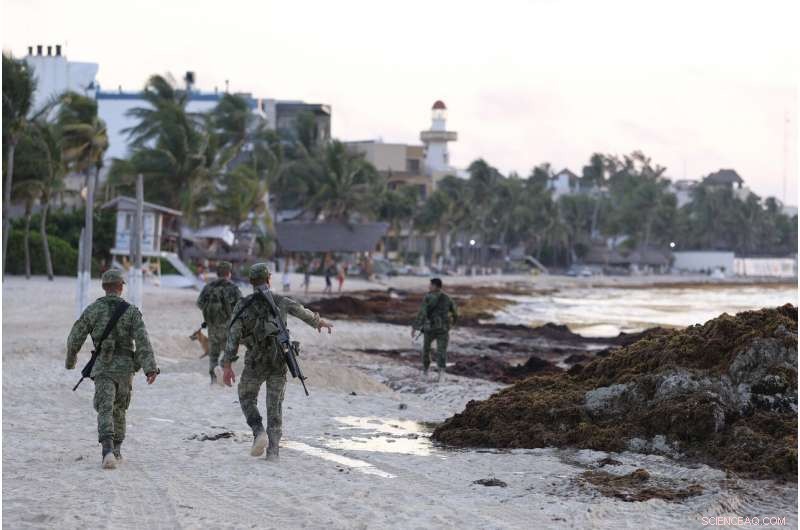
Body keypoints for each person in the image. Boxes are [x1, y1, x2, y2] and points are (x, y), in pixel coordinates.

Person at [221, 263, 334, 461]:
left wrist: (228, 365)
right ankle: (273, 451)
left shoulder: (243, 305)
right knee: (275, 406)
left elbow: (233, 335)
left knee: (246, 397)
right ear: (268, 279)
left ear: (251, 282)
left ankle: (258, 432)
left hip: (255, 361)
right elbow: (300, 311)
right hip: (279, 360)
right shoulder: (280, 301)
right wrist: (319, 322)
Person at [66, 269, 159, 469]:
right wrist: (150, 368)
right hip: (125, 369)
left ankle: (106, 449)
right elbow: (143, 341)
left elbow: (75, 337)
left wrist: (70, 360)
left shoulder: (93, 309)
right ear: (120, 286)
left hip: (102, 367)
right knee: (119, 408)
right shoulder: (131, 311)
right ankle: (116, 450)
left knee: (104, 407)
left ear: (104, 287)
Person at [196, 261, 242, 385]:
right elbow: (241, 307)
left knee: (213, 355)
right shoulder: (233, 287)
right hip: (228, 327)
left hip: (212, 327)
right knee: (230, 352)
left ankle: (214, 379)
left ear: (218, 273)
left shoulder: (208, 287)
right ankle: (221, 368)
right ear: (229, 273)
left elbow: (199, 303)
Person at [411, 278, 458, 382]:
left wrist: (415, 327)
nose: (429, 287)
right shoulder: (447, 298)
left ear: (435, 286)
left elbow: (422, 313)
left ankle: (426, 371)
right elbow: (455, 313)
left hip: (430, 328)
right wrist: (452, 325)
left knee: (426, 349)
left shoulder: (428, 297)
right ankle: (441, 374)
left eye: (430, 285)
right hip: (443, 329)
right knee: (442, 351)